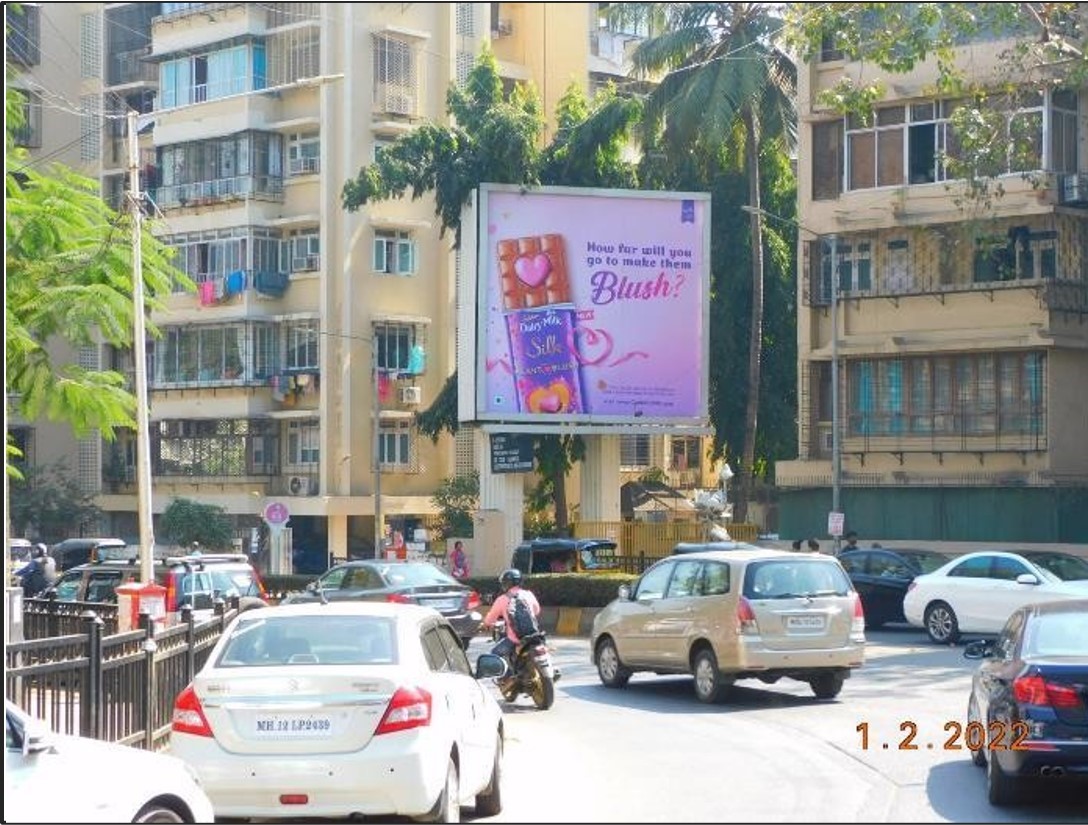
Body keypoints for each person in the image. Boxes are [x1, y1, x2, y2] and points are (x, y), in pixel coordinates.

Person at [482, 568, 541, 670]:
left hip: (515, 640)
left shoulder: (502, 599)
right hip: (534, 636)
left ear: (505, 584)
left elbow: (490, 620)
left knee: (493, 655)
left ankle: (508, 678)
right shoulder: (528, 594)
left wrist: (485, 625)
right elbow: (537, 611)